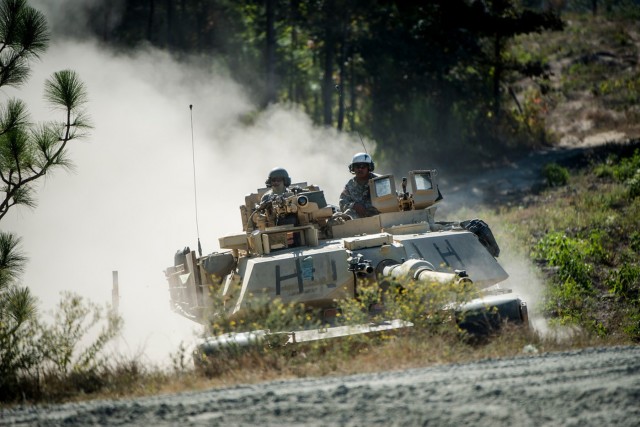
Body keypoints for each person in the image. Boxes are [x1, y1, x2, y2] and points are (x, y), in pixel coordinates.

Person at [339, 152, 380, 219]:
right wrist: (354, 206)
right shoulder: (350, 185)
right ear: (353, 168)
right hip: (358, 221)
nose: (360, 169)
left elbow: (393, 196)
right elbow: (342, 203)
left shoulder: (378, 180)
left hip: (379, 216)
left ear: (368, 167)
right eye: (357, 166)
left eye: (363, 166)